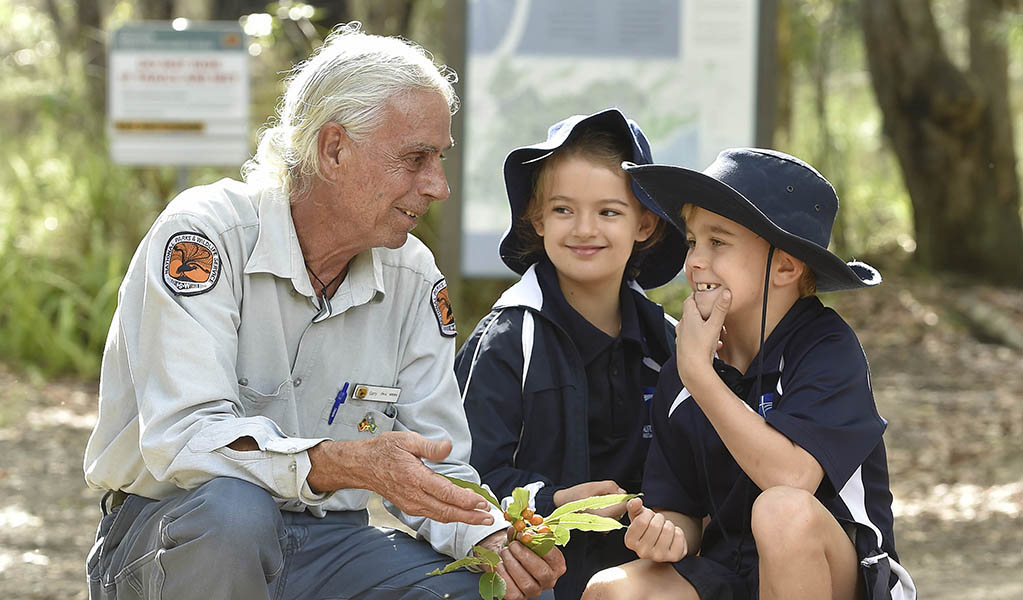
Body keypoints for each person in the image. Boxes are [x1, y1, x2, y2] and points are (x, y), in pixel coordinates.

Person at [83, 23, 565, 600]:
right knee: (235, 513)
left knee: (484, 590)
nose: (438, 186)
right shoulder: (207, 235)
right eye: (415, 159)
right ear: (333, 148)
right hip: (175, 533)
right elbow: (186, 438)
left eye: (440, 158)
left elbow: (437, 464)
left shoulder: (412, 275)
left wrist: (489, 538)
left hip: (327, 543)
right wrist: (344, 464)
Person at [583, 149, 917, 599]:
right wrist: (664, 533)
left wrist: (701, 376)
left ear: (785, 266)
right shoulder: (685, 367)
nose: (695, 261)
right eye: (691, 242)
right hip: (731, 573)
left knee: (782, 511)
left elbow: (793, 480)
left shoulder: (826, 348)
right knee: (612, 590)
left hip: (843, 579)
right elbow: (680, 511)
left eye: (717, 242)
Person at [454, 109, 687, 600]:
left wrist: (672, 527)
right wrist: (556, 501)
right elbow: (463, 477)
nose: (584, 229)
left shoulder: (669, 343)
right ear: (536, 219)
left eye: (609, 211)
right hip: (527, 578)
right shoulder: (507, 338)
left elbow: (693, 474)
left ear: (645, 224)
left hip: (638, 580)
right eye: (563, 210)